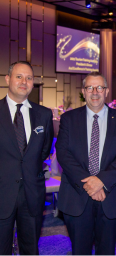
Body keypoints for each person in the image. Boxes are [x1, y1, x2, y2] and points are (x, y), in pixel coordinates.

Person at [56, 72, 116, 255]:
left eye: (99, 87)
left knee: (106, 251)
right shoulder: (69, 119)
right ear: (84, 91)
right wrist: (90, 183)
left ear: (106, 91)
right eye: (90, 87)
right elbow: (63, 153)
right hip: (77, 195)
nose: (95, 92)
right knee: (80, 251)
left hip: (111, 195)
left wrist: (102, 181)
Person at [0, 61, 54, 255]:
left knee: (30, 249)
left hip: (32, 194)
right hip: (2, 193)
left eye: (29, 78)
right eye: (19, 76)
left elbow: (44, 150)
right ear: (7, 79)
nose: (24, 82)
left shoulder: (44, 115)